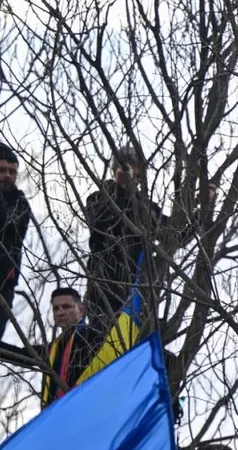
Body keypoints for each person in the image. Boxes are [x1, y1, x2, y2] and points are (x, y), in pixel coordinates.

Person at [84, 145, 164, 333]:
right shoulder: (98, 198)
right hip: (104, 287)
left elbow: (174, 233)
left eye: (136, 174)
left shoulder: (148, 209)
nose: (131, 178)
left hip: (139, 288)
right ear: (115, 171)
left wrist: (201, 209)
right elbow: (101, 221)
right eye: (127, 170)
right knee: (102, 341)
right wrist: (119, 189)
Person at [0, 288, 104, 407]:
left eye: (66, 307)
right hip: (56, 413)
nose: (60, 312)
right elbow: (21, 355)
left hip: (87, 407)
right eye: (56, 308)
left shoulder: (94, 337)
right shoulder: (55, 347)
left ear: (81, 310)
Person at [0, 144, 31, 340]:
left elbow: (10, 228)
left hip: (4, 282)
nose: (7, 175)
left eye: (12, 171)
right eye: (2, 170)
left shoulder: (19, 204)